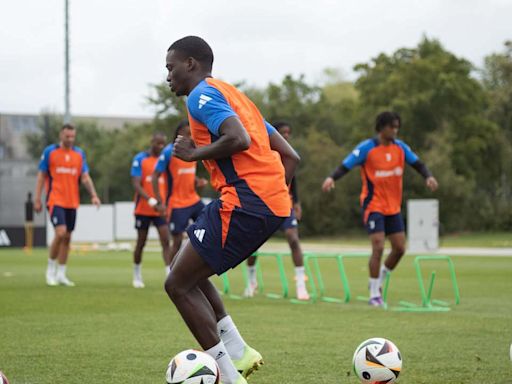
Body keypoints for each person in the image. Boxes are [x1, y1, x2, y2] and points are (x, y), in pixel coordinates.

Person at [164, 36, 300, 384]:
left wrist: (193, 155)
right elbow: (291, 156)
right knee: (187, 267)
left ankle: (228, 376)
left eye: (171, 67)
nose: (168, 77)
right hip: (265, 202)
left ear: (191, 64)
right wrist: (271, 198)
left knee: (177, 285)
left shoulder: (201, 96)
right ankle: (238, 352)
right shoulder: (236, 97)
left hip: (245, 202)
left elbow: (236, 138)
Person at [322, 111, 438, 306]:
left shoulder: (400, 148)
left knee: (400, 248)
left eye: (397, 127)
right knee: (378, 246)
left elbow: (418, 164)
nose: (395, 130)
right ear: (381, 128)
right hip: (373, 205)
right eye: (391, 126)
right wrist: (331, 178)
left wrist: (428, 176)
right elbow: (346, 165)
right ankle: (374, 294)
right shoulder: (367, 148)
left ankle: (381, 277)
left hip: (393, 207)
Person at [244, 121, 309, 300]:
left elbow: (292, 180)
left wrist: (297, 202)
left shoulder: (289, 154)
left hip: (284, 203)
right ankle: (251, 281)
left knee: (293, 238)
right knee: (252, 245)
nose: (286, 136)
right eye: (283, 133)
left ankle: (301, 285)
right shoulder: (264, 153)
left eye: (288, 133)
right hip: (264, 203)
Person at [34, 123, 101, 286]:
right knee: (60, 232)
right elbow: (42, 176)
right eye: (67, 136)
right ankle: (50, 270)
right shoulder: (50, 151)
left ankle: (61, 273)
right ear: (61, 136)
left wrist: (94, 195)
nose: (70, 139)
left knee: (68, 237)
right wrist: (37, 199)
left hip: (72, 201)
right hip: (55, 199)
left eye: (72, 136)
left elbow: (84, 176)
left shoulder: (79, 154)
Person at [151, 120, 208, 265]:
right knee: (176, 241)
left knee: (209, 226)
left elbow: (185, 174)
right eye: (187, 133)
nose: (190, 137)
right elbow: (155, 176)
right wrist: (159, 201)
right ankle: (171, 275)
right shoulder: (170, 151)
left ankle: (198, 269)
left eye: (192, 134)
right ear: (179, 134)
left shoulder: (193, 149)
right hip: (177, 203)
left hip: (194, 200)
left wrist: (197, 182)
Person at [130, 132, 171, 288]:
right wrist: (151, 200)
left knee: (166, 240)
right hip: (143, 209)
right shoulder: (140, 159)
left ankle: (169, 274)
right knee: (141, 242)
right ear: (151, 142)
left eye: (163, 144)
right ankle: (137, 273)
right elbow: (136, 183)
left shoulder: (164, 161)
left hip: (160, 209)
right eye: (158, 144)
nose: (160, 147)